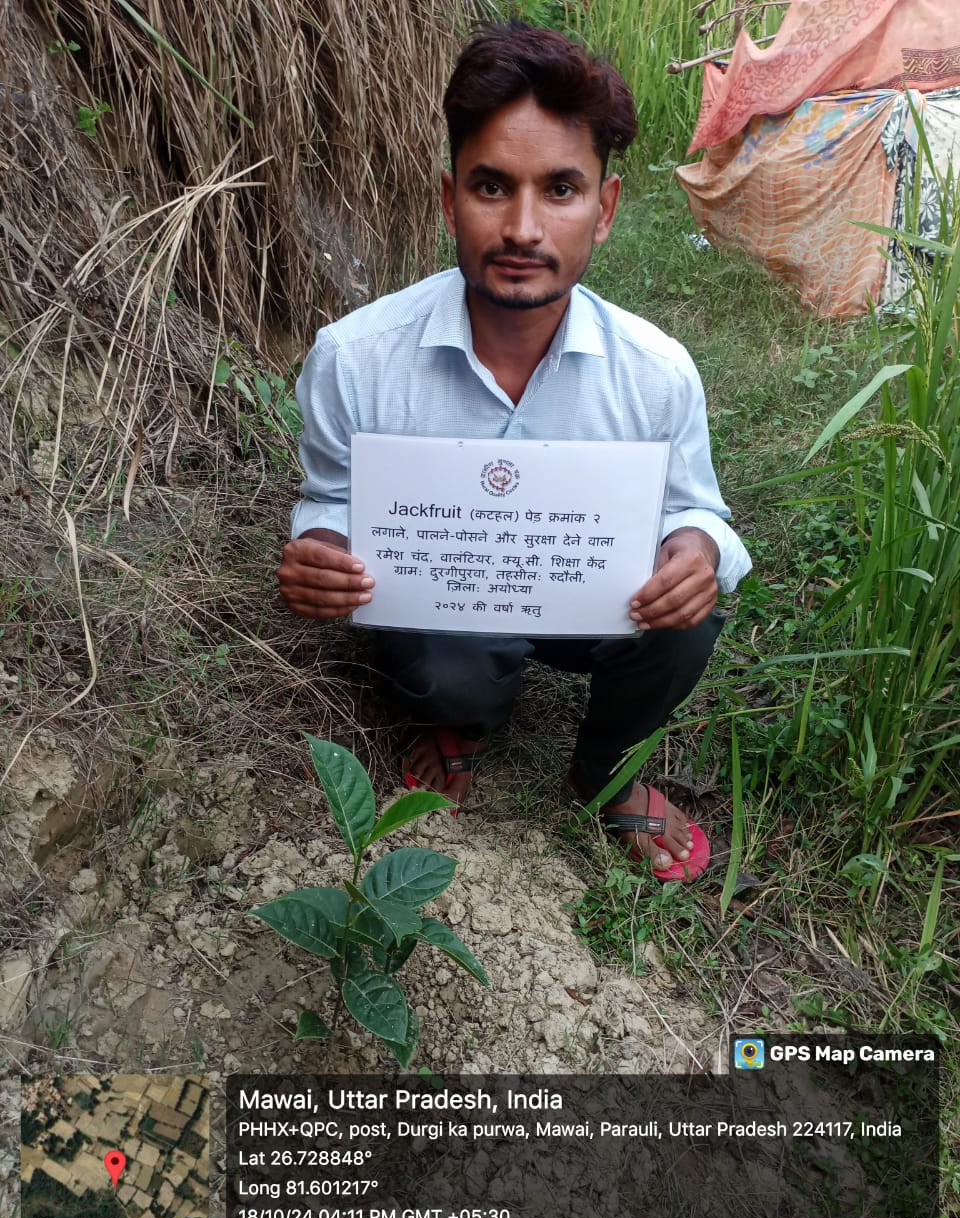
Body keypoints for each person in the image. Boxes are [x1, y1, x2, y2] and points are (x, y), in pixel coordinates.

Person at [277, 20, 751, 881]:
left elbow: (697, 508)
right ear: (448, 196)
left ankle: (610, 767)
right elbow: (332, 498)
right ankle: (461, 712)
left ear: (602, 211)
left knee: (693, 619)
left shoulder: (655, 372)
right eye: (492, 186)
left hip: (593, 607)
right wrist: (326, 549)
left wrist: (697, 550)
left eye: (561, 189)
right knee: (441, 659)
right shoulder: (355, 357)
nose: (524, 228)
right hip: (451, 605)